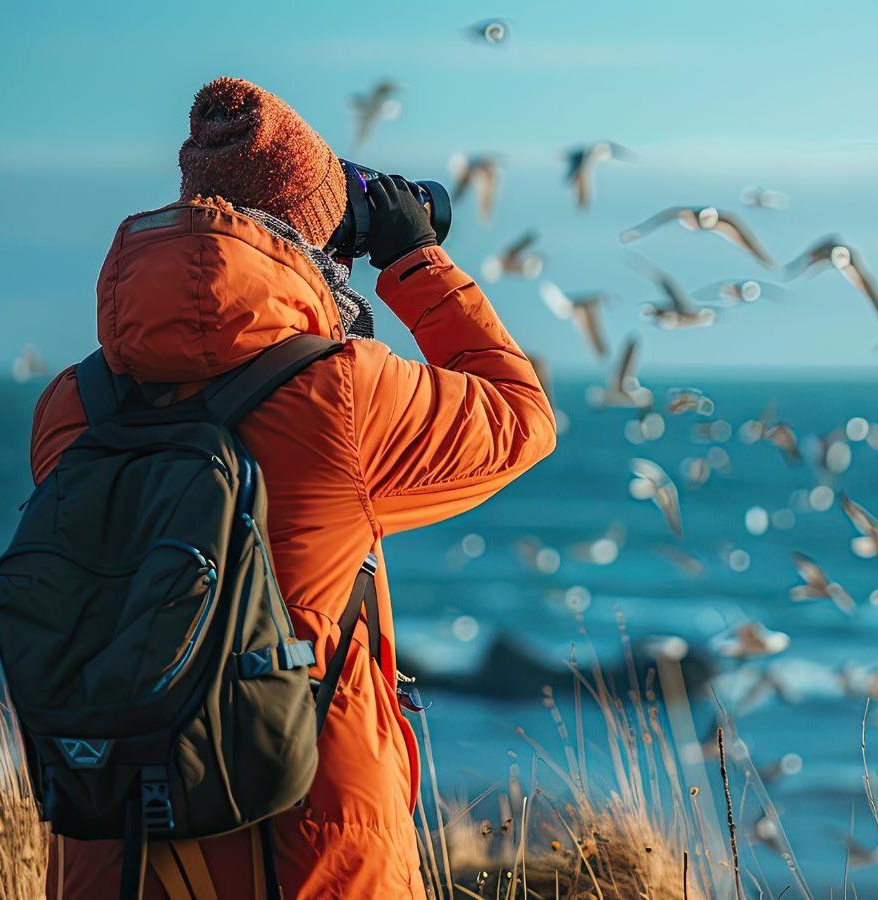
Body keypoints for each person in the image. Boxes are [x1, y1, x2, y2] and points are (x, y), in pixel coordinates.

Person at [29, 76, 556, 898]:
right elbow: (523, 419)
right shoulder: (343, 395)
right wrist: (414, 259)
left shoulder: (72, 405)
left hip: (111, 843)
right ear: (317, 240)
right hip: (305, 849)